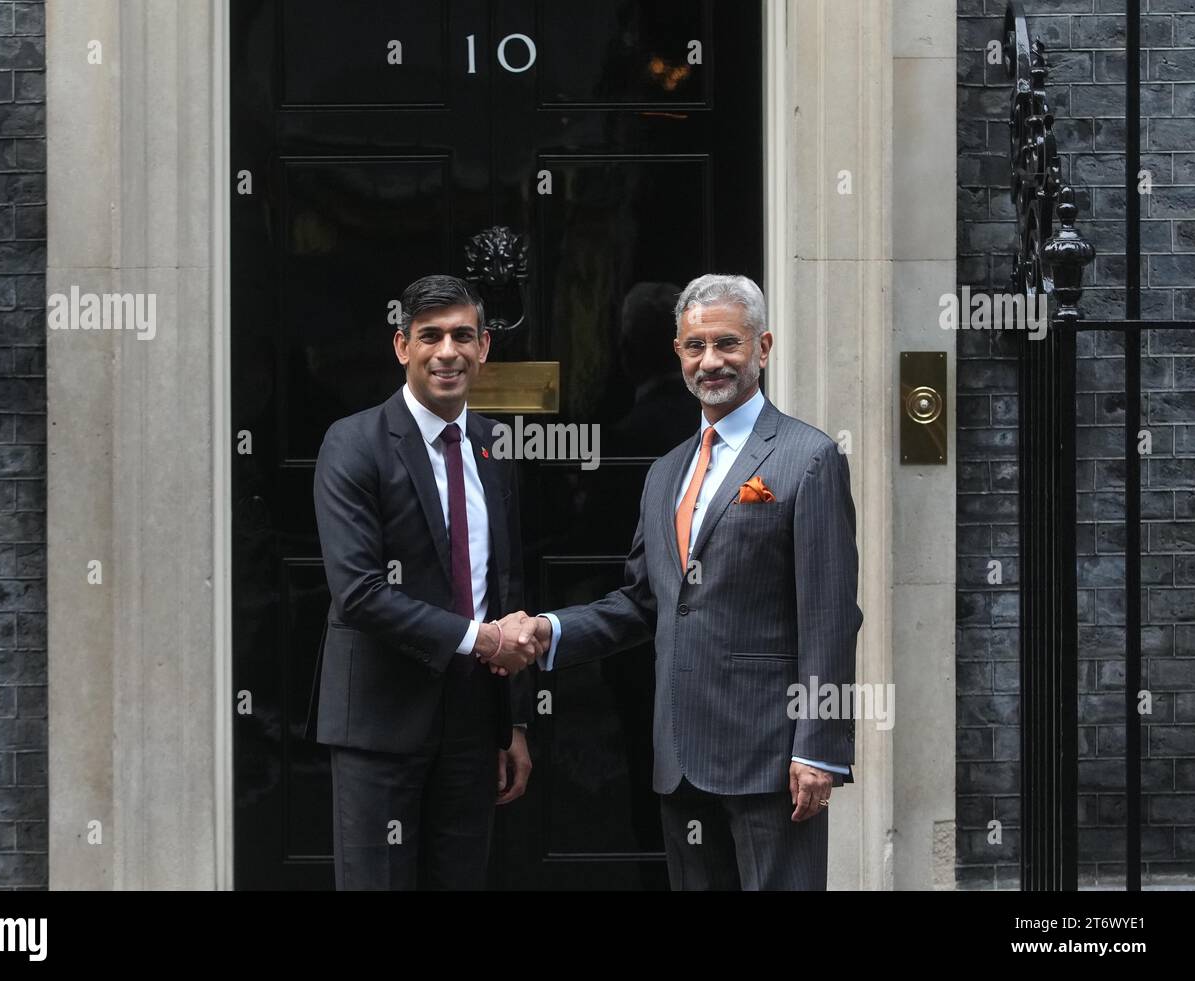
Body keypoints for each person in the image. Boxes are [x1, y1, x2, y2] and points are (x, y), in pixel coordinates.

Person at [515, 273, 862, 890]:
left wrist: (818, 748)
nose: (711, 362)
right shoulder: (664, 472)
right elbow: (645, 604)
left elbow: (830, 614)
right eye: (695, 346)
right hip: (679, 757)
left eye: (727, 344)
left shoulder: (808, 458)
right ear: (677, 353)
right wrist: (548, 631)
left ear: (763, 347)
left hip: (771, 756)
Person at [307, 274, 542, 890]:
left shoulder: (494, 446)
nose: (448, 352)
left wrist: (512, 723)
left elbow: (505, 586)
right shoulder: (353, 443)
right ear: (401, 346)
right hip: (381, 723)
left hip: (470, 727)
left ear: (484, 347)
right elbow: (358, 591)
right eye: (430, 336)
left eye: (463, 336)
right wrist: (480, 639)